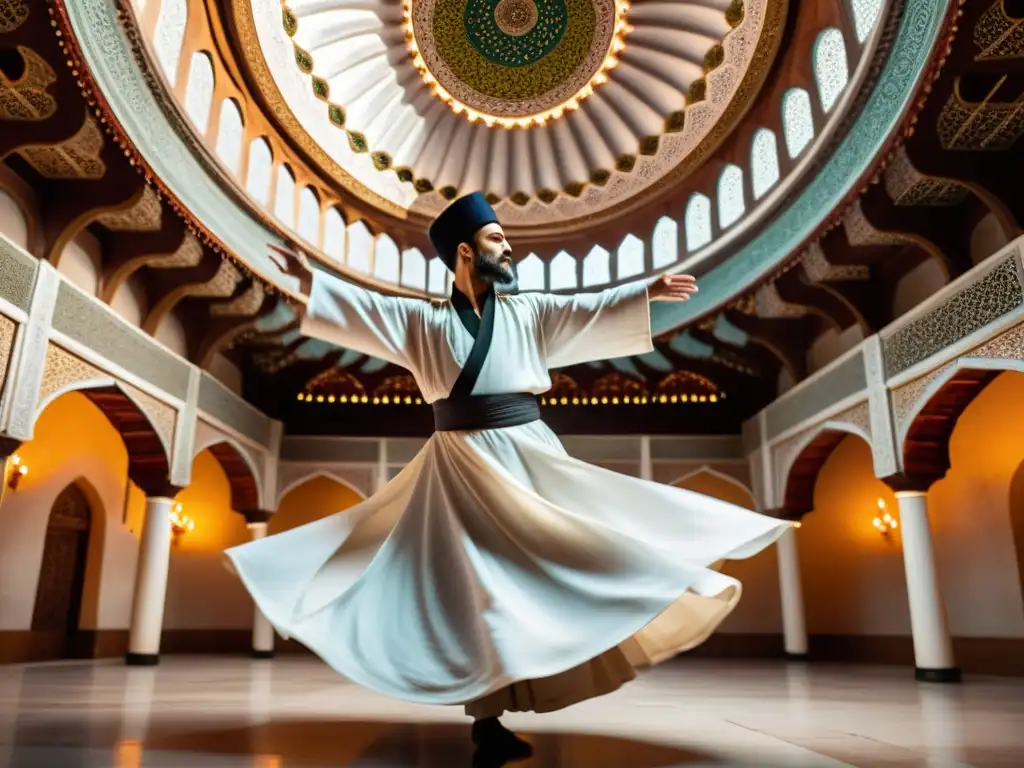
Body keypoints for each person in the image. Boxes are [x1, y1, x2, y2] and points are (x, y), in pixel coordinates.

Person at [225, 192, 792, 766]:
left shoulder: (529, 312)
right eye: (497, 238)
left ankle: (659, 579)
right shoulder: (421, 320)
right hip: (457, 468)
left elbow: (589, 309)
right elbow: (362, 308)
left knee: (583, 545)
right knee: (475, 591)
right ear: (465, 252)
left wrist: (645, 292)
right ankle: (487, 720)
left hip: (525, 455)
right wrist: (308, 281)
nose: (509, 245)